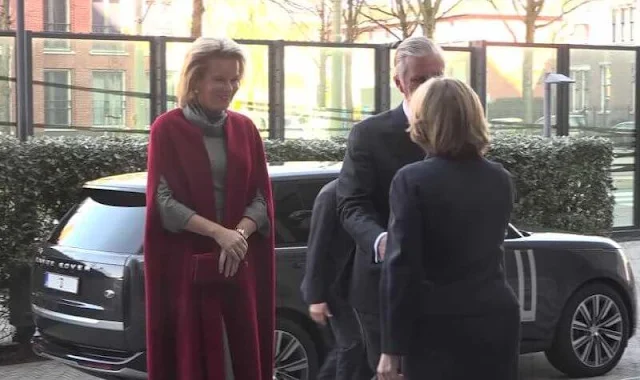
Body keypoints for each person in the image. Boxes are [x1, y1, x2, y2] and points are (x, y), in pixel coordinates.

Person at [143, 37, 275, 380]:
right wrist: (219, 233)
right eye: (220, 79)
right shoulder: (167, 128)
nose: (229, 87)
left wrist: (238, 236)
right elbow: (163, 204)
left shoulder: (246, 129)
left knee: (241, 358)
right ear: (195, 80)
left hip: (237, 266)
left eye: (234, 79)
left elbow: (262, 198)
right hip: (188, 272)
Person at [376, 77, 521, 380]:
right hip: (496, 317)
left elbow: (402, 266)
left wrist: (391, 348)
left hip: (436, 324)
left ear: (423, 121)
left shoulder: (412, 180)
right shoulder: (499, 178)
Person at [336, 36, 445, 373]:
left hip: (445, 289)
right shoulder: (369, 135)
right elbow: (351, 204)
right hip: (382, 288)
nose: (431, 87)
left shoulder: (460, 130)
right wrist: (382, 241)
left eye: (437, 77)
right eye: (420, 80)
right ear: (400, 83)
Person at [300, 179, 373, 380]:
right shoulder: (331, 194)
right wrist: (315, 296)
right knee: (353, 343)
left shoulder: (363, 190)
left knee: (358, 346)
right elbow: (317, 245)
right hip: (333, 285)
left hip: (357, 283)